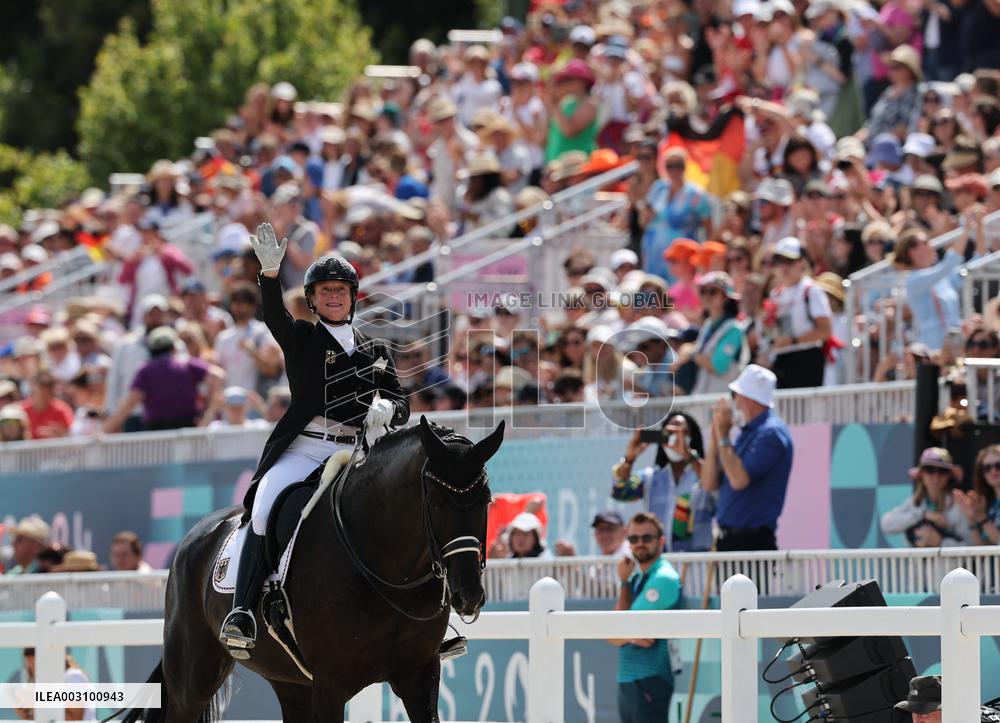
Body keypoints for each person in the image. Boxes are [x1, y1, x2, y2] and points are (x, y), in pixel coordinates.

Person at [219, 223, 409, 659]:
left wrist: (390, 411)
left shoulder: (376, 349)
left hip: (358, 451)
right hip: (305, 447)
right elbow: (273, 317)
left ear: (353, 296)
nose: (333, 297)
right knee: (264, 506)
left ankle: (431, 620)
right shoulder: (302, 338)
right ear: (313, 299)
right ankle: (242, 610)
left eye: (341, 290)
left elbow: (402, 402)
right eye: (325, 291)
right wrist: (269, 275)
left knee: (404, 508)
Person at [701, 365, 793, 551]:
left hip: (752, 541)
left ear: (747, 398)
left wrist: (724, 436)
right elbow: (709, 484)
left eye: (734, 395)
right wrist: (715, 439)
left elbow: (738, 480)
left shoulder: (771, 433)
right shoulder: (748, 432)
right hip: (730, 540)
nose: (733, 401)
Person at [608, 512, 681, 723]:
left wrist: (623, 634)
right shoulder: (638, 577)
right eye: (633, 539)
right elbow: (613, 629)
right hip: (630, 678)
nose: (639, 543)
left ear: (661, 541)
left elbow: (614, 632)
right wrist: (624, 583)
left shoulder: (663, 578)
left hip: (651, 678)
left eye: (647, 538)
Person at [612, 413, 715, 552]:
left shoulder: (702, 475)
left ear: (692, 438)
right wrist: (629, 458)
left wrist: (688, 454)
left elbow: (714, 485)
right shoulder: (650, 477)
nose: (675, 438)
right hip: (661, 564)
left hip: (696, 565)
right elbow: (619, 492)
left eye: (682, 432)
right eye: (669, 433)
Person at [103, 327, 225, 432]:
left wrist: (106, 430)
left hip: (158, 434)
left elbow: (130, 403)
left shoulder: (146, 370)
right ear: (173, 347)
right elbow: (218, 376)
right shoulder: (186, 364)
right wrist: (208, 412)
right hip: (187, 430)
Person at [767, 237, 832, 389]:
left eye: (789, 261)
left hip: (807, 359)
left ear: (802, 262)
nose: (784, 267)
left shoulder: (812, 290)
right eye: (779, 261)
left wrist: (793, 341)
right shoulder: (776, 294)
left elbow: (825, 331)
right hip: (782, 360)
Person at [881, 447, 971, 547]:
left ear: (949, 476)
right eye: (930, 470)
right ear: (921, 474)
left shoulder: (957, 504)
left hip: (947, 563)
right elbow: (886, 525)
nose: (936, 476)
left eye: (942, 471)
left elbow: (969, 546)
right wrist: (923, 515)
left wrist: (940, 542)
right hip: (917, 563)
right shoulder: (915, 502)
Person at [16, 648, 95, 722]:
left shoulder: (73, 677)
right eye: (30, 667)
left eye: (37, 665)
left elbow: (75, 719)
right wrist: (27, 715)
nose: (34, 672)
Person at [955, 444, 1000, 546]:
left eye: (998, 465)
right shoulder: (988, 504)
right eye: (987, 468)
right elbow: (981, 548)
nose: (993, 471)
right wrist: (971, 520)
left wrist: (982, 518)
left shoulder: (983, 513)